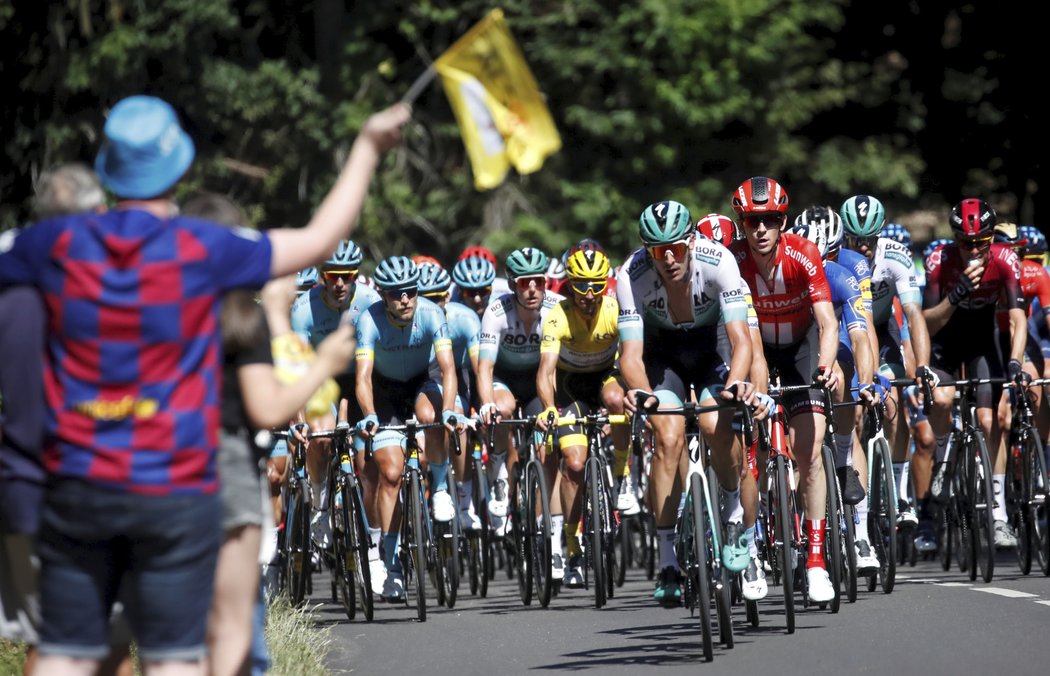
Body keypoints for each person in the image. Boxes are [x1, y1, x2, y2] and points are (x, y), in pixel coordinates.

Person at [0, 94, 407, 675]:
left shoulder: (51, 244)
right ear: (180, 169)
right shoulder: (205, 246)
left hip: (77, 481)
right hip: (176, 483)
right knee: (175, 658)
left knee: (62, 655)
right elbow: (320, 240)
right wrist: (367, 147)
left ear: (109, 172)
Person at [181, 192, 352, 676]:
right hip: (226, 470)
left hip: (153, 474)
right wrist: (322, 359)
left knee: (173, 638)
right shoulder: (244, 318)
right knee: (236, 627)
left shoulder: (151, 306)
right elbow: (272, 405)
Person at [616, 200, 759, 604]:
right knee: (667, 435)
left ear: (691, 243)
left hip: (712, 346)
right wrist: (641, 392)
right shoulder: (632, 274)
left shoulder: (719, 261)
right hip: (664, 355)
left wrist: (734, 385)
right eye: (658, 252)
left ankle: (733, 512)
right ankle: (667, 562)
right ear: (647, 251)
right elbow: (631, 353)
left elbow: (740, 339)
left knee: (717, 425)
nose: (668, 259)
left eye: (675, 249)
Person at [730, 176, 841, 604]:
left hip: (800, 347)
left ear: (783, 221)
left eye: (770, 220)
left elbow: (828, 323)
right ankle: (752, 546)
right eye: (752, 220)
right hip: (756, 347)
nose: (760, 229)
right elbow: (743, 335)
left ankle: (815, 562)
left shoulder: (803, 254)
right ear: (741, 222)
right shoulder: (733, 260)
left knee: (810, 456)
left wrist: (826, 365)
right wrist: (755, 393)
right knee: (749, 452)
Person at [353, 256, 464, 601]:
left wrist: (448, 410)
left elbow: (447, 369)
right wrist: (369, 413)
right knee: (390, 474)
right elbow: (363, 377)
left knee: (435, 417)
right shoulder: (367, 320)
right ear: (383, 295)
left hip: (419, 383)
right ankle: (391, 561)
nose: (405, 300)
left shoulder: (432, 314)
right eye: (396, 294)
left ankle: (442, 487)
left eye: (411, 292)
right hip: (384, 393)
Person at [924, 199, 1026, 550]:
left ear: (990, 239)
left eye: (981, 242)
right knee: (941, 398)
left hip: (983, 345)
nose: (973, 250)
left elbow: (1017, 317)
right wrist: (956, 295)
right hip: (945, 347)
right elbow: (928, 321)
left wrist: (1015, 360)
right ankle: (943, 458)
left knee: (990, 420)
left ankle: (999, 516)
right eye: (965, 243)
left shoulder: (1005, 259)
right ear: (954, 240)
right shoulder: (940, 260)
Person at [537, 246, 633, 587]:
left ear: (605, 284)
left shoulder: (615, 308)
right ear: (570, 284)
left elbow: (635, 355)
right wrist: (549, 407)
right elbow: (546, 370)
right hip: (569, 388)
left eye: (596, 285)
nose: (589, 295)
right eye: (581, 286)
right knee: (574, 466)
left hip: (605, 378)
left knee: (616, 398)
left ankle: (623, 475)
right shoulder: (557, 315)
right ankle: (572, 543)